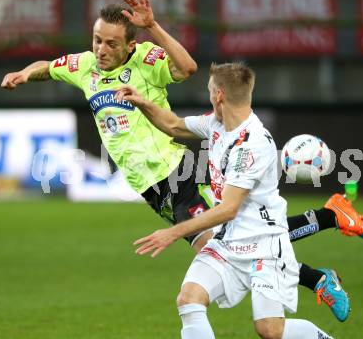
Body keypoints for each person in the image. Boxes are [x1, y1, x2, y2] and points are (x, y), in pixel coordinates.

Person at [1, 0, 363, 322]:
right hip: (152, 188)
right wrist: (22, 72)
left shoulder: (145, 59)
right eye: (98, 40)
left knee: (229, 246)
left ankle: (328, 225)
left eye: (111, 43)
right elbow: (46, 68)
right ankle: (323, 253)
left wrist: (154, 27)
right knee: (234, 246)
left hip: (175, 173)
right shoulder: (84, 66)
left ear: (130, 45)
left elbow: (187, 68)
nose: (101, 49)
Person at [128, 62, 336, 339]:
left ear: (219, 95)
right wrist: (141, 102)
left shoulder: (251, 145)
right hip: (227, 244)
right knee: (189, 299)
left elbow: (228, 209)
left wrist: (173, 232)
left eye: (210, 90)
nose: (209, 95)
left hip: (264, 247)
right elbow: (173, 125)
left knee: (270, 331)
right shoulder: (216, 124)